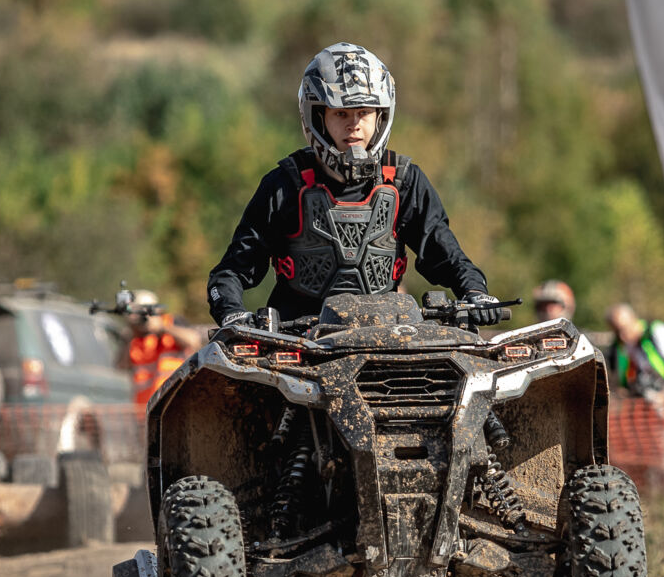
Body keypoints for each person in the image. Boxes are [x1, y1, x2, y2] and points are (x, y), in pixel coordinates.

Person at [206, 42, 500, 327]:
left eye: (364, 112)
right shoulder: (285, 184)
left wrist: (475, 292)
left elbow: (446, 255)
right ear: (318, 117)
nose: (354, 124)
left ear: (380, 115)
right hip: (298, 341)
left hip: (384, 337)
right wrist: (232, 312)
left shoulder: (403, 180)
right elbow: (231, 272)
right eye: (341, 113)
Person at [127, 289, 203, 409]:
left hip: (176, 404)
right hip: (147, 410)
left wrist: (162, 328)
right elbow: (121, 364)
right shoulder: (135, 337)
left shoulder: (172, 322)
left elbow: (194, 341)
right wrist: (132, 333)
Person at [605, 303, 664, 407]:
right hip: (649, 406)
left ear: (633, 318)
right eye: (616, 332)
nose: (622, 336)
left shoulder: (657, 331)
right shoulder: (623, 346)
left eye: (623, 329)